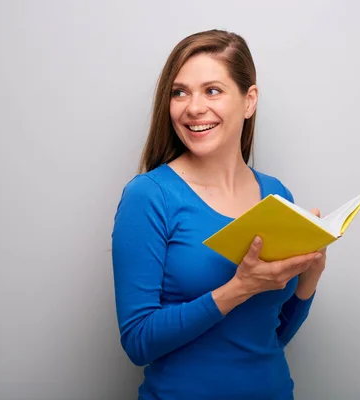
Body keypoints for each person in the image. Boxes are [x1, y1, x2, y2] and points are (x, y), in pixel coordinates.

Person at [111, 29, 327, 400]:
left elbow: (268, 339)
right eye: (179, 92)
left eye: (212, 90)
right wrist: (238, 289)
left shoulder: (275, 196)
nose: (193, 107)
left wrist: (310, 277)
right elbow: (138, 342)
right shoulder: (149, 197)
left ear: (249, 100)